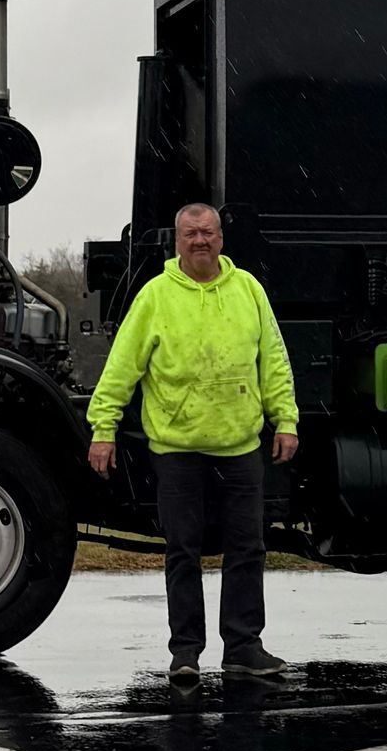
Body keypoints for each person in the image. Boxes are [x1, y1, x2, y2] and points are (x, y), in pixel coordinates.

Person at [87, 203, 300, 682]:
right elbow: (122, 367)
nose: (199, 240)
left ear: (221, 239)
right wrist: (103, 429)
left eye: (207, 232)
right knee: (182, 551)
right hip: (177, 451)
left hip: (241, 447)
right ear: (177, 242)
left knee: (247, 549)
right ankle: (185, 653)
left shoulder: (249, 290)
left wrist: (285, 419)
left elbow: (274, 361)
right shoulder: (155, 297)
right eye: (190, 233)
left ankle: (243, 648)